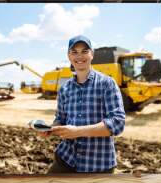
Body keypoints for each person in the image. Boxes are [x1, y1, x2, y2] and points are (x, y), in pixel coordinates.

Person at [42, 35, 126, 173]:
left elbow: (117, 123)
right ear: (69, 56)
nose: (79, 56)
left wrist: (77, 132)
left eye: (84, 51)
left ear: (92, 54)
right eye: (74, 52)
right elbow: (60, 119)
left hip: (98, 164)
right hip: (66, 159)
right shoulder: (65, 89)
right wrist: (50, 129)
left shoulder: (107, 84)